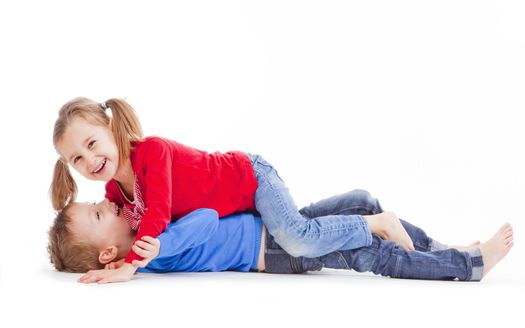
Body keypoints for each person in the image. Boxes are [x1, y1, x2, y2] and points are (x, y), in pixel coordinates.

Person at [50, 97, 415, 283]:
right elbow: (129, 226)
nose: (90, 159)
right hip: (240, 214)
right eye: (77, 159)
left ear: (112, 129)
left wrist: (131, 265)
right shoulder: (116, 193)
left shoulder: (151, 152)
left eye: (92, 143)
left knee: (298, 237)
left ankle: (375, 223)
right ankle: (361, 204)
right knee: (302, 224)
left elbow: (159, 212)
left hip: (250, 178)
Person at [47, 190, 514, 284]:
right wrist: (143, 255)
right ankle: (469, 266)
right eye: (96, 212)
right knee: (370, 252)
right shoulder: (154, 251)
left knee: (364, 201)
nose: (105, 203)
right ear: (110, 249)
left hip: (277, 225)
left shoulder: (146, 235)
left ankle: (444, 249)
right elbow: (207, 217)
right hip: (275, 250)